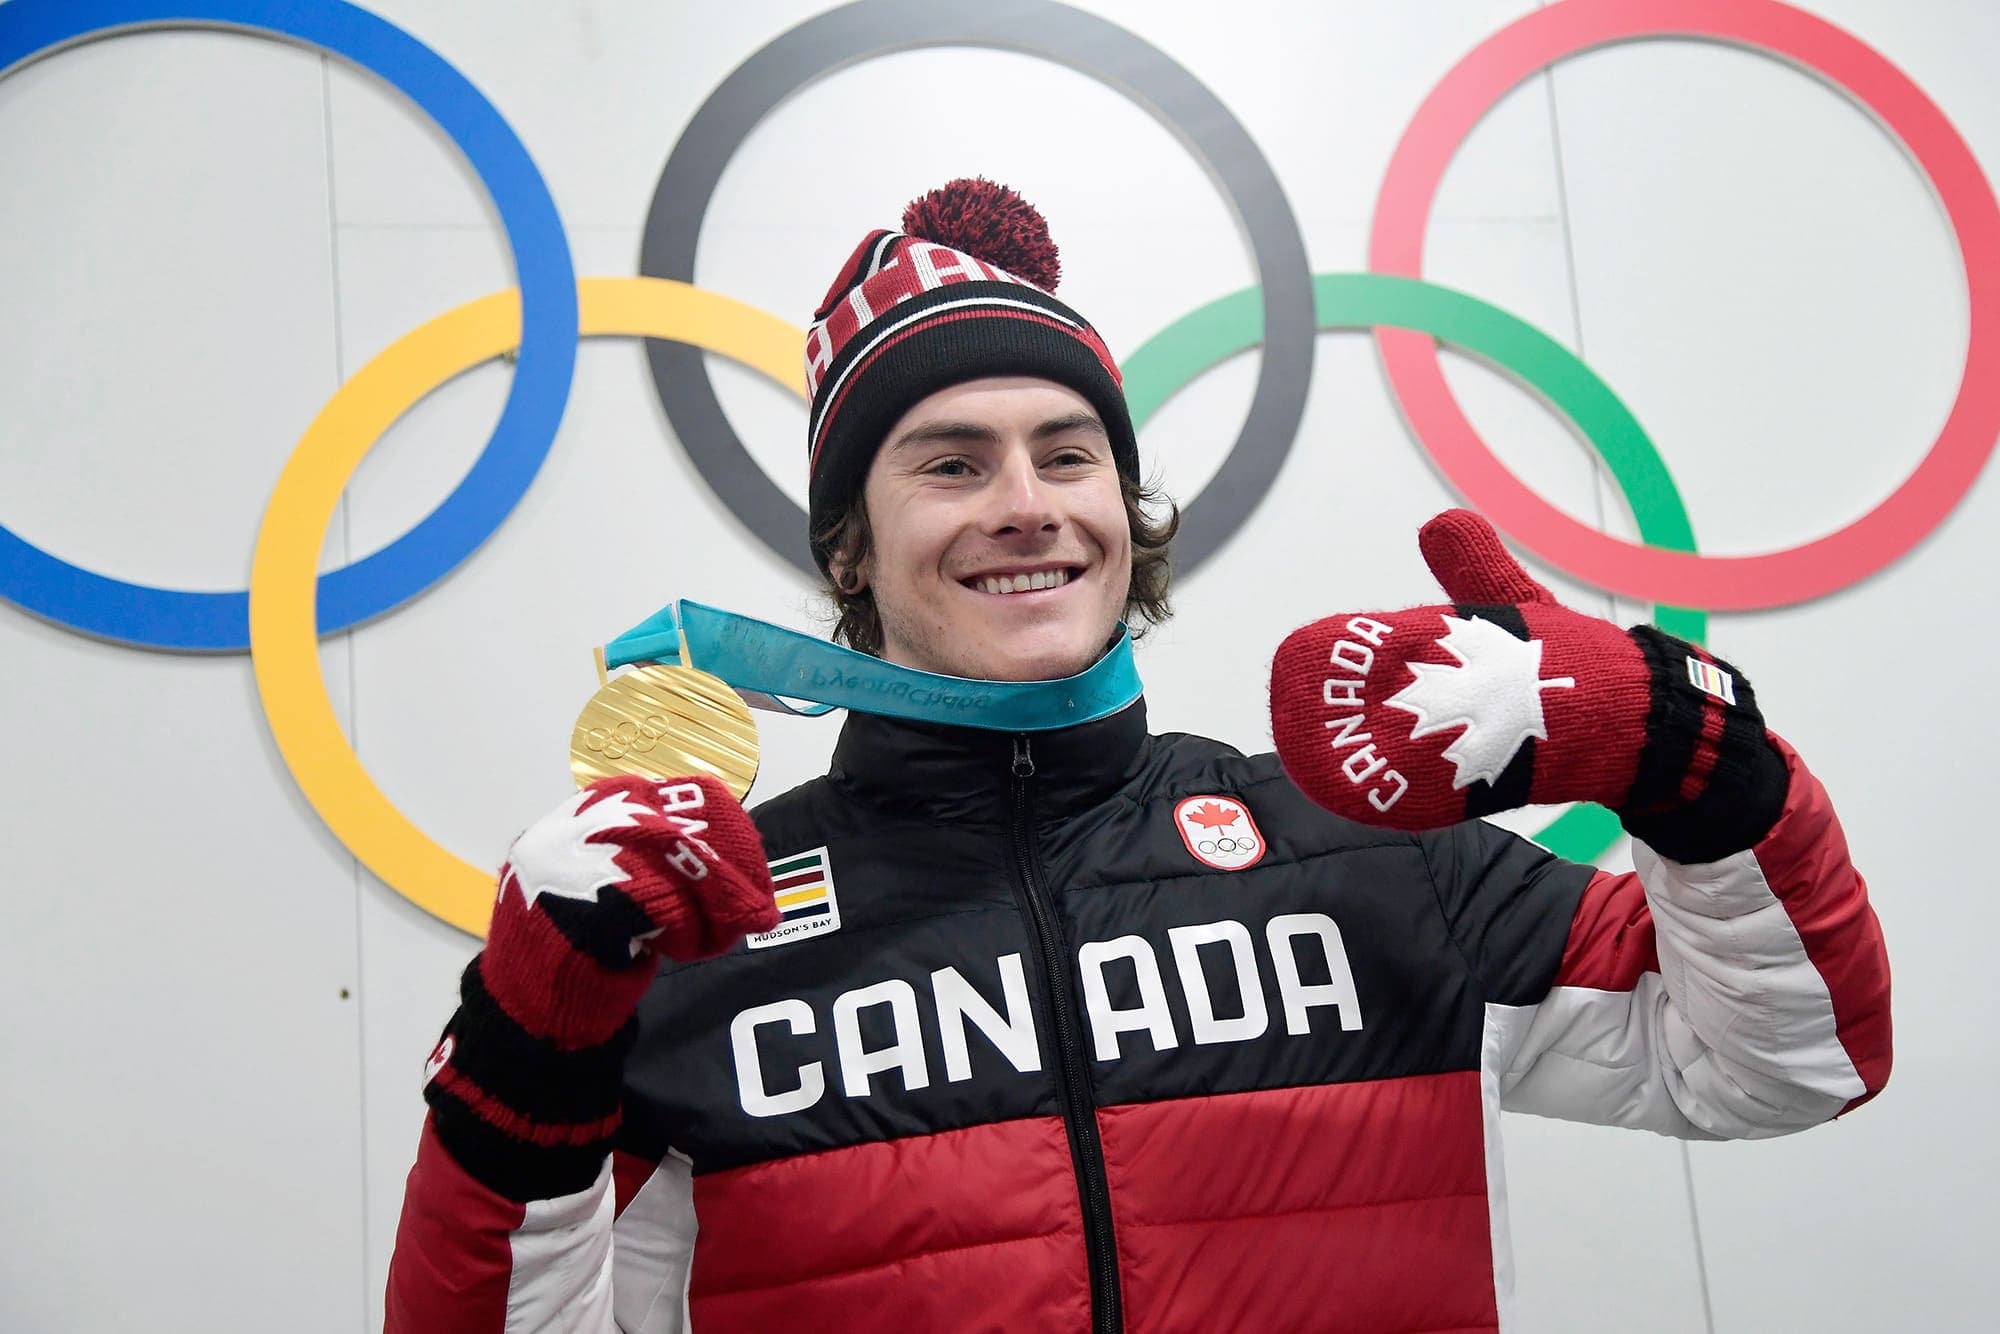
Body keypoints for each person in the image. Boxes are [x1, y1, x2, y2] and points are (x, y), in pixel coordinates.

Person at [384, 180, 1891, 1333]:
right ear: (852, 542)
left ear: (1125, 501)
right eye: (952, 461)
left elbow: (1785, 1061)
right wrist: (528, 1035)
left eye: (1067, 450)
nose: (1026, 501)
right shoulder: (716, 924)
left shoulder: (1359, 846)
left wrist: (1684, 752)